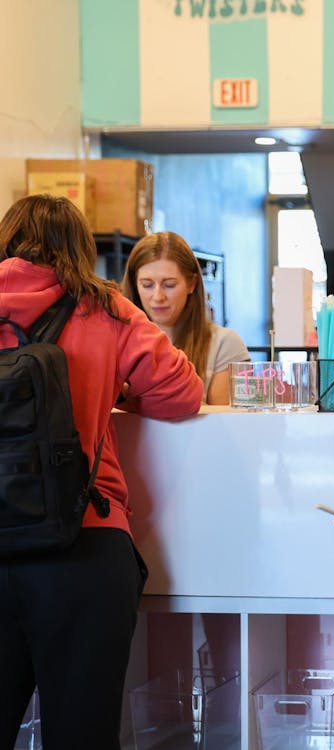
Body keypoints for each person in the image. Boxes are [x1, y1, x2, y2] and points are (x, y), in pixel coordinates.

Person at [0, 195, 203, 748]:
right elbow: (184, 395)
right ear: (79, 249)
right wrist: (119, 393)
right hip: (84, 544)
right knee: (82, 733)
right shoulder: (106, 308)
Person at [121, 231, 250, 404]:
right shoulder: (119, 343)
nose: (158, 296)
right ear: (134, 285)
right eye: (147, 285)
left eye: (169, 285)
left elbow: (227, 425)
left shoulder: (225, 344)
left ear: (191, 283)